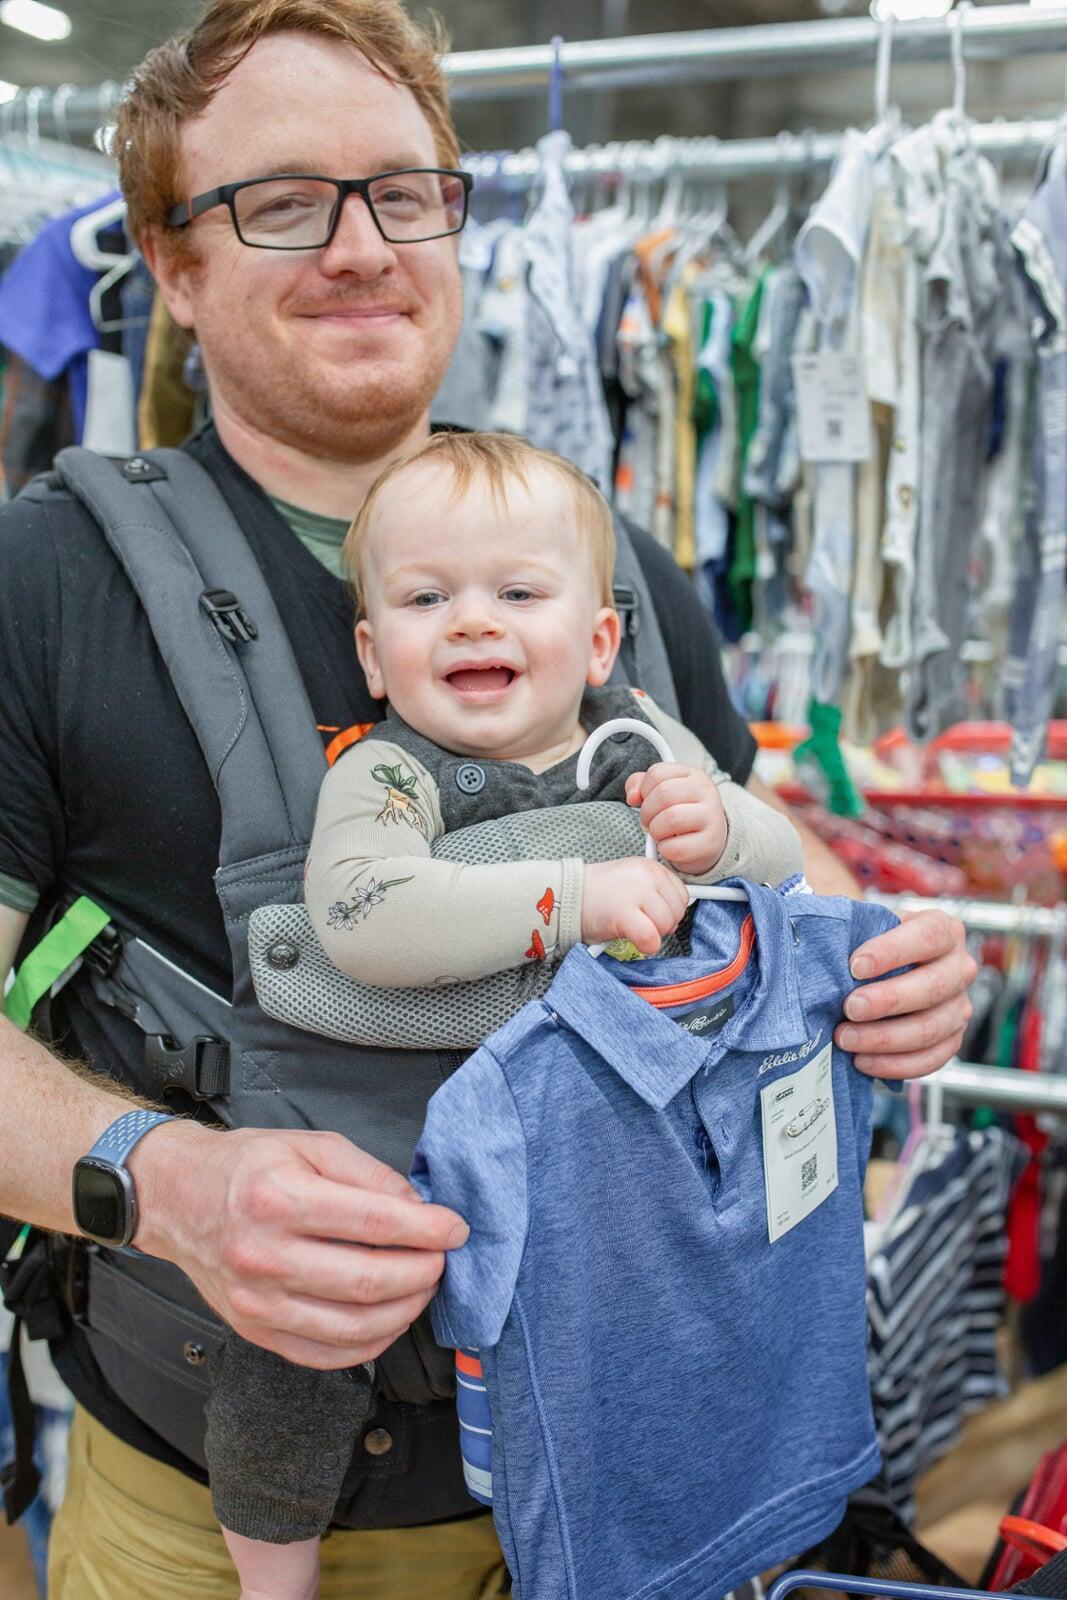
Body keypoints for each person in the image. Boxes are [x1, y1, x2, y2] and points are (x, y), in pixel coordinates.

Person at [0, 2, 975, 1594]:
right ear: (171, 267)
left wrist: (881, 984)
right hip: (232, 1522)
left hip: (637, 1481)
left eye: (404, 189)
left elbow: (744, 902)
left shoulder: (616, 573)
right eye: (281, 202)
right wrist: (164, 1183)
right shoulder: (47, 581)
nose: (363, 246)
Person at [214, 428, 803, 1599]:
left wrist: (723, 831)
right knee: (292, 1349)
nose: (474, 621)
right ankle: (272, 1575)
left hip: (599, 1149)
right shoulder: (385, 774)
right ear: (375, 655)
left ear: (596, 642)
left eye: (516, 593)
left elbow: (780, 865)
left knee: (663, 1332)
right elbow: (359, 911)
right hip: (398, 1126)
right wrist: (574, 895)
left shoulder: (642, 744)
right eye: (429, 598)